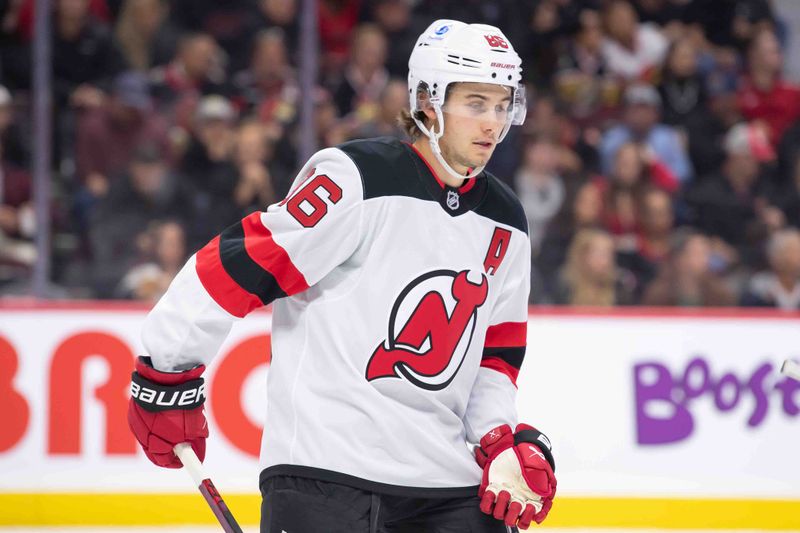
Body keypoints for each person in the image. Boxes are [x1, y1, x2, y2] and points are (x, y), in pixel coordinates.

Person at [127, 19, 557, 532]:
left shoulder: (506, 219)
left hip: (445, 484)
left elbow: (494, 355)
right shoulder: (356, 178)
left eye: (503, 105)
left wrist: (497, 440)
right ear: (427, 102)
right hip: (327, 472)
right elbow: (237, 264)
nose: (493, 123)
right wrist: (166, 366)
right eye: (475, 103)